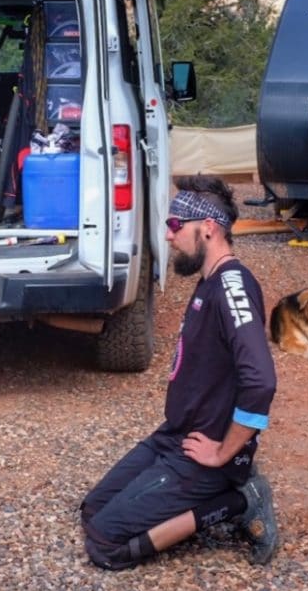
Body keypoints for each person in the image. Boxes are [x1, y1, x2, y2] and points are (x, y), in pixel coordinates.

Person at [80, 174, 278, 570]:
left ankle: (238, 500)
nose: (168, 236)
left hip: (204, 451)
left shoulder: (233, 286)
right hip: (174, 437)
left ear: (208, 228)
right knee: (92, 510)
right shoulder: (208, 282)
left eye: (175, 225)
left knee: (104, 544)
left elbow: (261, 381)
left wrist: (223, 452)